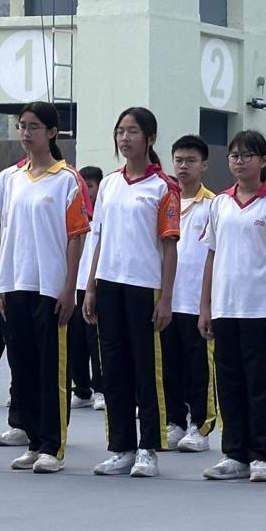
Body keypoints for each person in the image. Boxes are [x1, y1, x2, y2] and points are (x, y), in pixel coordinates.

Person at [0, 102, 91, 475]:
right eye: (22, 126)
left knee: (51, 368)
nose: (26, 133)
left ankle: (51, 446)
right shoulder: (8, 179)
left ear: (52, 133)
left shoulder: (67, 179)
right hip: (15, 283)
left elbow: (76, 236)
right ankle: (32, 440)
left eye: (33, 126)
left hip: (49, 287)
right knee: (23, 365)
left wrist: (69, 288)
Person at [82, 106, 180, 478]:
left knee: (146, 370)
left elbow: (169, 246)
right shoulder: (109, 184)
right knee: (113, 368)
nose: (125, 138)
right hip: (109, 285)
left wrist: (166, 297)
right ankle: (121, 446)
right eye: (120, 131)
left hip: (145, 287)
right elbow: (99, 237)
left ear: (150, 138)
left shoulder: (164, 187)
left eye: (133, 131)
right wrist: (91, 286)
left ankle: (148, 448)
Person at [198, 130, 266, 481]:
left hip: (260, 311)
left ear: (263, 160)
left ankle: (259, 456)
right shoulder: (219, 204)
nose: (239, 161)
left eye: (247, 155)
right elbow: (211, 257)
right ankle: (234, 454)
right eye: (234, 155)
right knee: (228, 384)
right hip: (226, 308)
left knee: (261, 385)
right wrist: (205, 306)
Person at [162, 134, 219, 452]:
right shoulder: (164, 200)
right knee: (169, 364)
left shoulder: (214, 205)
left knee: (199, 367)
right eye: (179, 160)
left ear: (204, 165)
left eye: (191, 161)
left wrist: (209, 302)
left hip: (196, 300)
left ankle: (201, 425)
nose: (184, 166)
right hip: (167, 299)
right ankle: (174, 422)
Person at [71, 163, 105, 412]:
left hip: (93, 285)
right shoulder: (76, 215)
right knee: (76, 342)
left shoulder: (101, 218)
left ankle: (101, 389)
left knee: (96, 342)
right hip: (74, 285)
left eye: (90, 186)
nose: (86, 192)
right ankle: (82, 390)